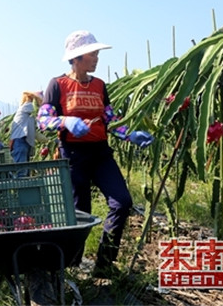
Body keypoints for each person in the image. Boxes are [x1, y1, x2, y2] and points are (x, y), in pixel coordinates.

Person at [37, 30, 153, 278]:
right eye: (93, 53)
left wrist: (129, 134)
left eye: (97, 53)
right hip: (73, 155)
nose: (97, 58)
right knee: (82, 211)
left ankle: (104, 262)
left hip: (100, 153)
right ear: (77, 57)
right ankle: (73, 264)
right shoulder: (57, 85)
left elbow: (110, 118)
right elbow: (43, 120)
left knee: (122, 202)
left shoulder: (100, 85)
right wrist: (66, 121)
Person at [9, 91, 45, 173]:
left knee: (24, 171)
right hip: (20, 141)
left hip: (23, 142)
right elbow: (43, 111)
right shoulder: (28, 106)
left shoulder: (28, 113)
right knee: (22, 172)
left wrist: (47, 140)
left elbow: (34, 133)